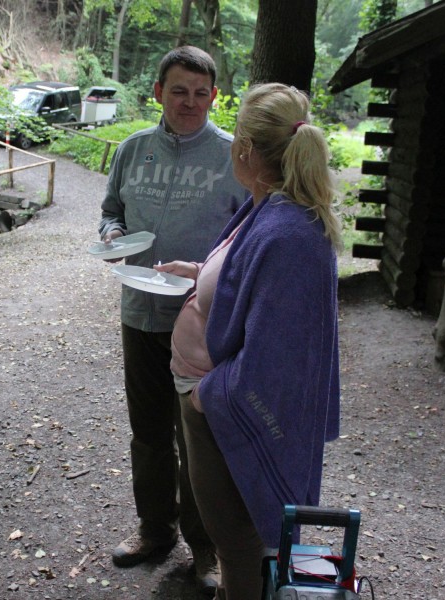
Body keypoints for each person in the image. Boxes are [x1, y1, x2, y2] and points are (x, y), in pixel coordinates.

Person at [156, 82, 343, 598]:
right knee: (236, 544)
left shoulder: (290, 234)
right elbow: (249, 285)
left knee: (239, 543)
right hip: (208, 400)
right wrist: (201, 273)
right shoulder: (266, 208)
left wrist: (204, 398)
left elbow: (275, 358)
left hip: (223, 406)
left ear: (244, 149)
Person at [98, 46, 246, 594]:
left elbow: (250, 236)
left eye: (201, 93)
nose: (190, 102)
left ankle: (206, 547)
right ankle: (154, 529)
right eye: (179, 91)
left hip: (202, 322)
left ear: (214, 96)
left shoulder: (233, 156)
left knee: (200, 440)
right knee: (149, 434)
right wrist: (112, 235)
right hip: (139, 313)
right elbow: (110, 210)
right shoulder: (133, 150)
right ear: (158, 92)